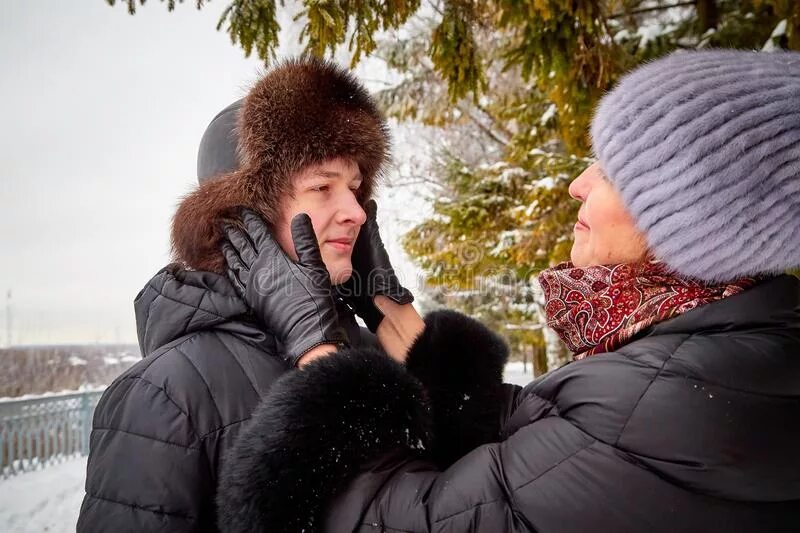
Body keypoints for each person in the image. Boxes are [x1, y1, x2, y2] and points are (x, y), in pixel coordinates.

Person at [215, 50, 800, 532]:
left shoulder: (669, 403)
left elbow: (406, 518)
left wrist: (318, 352)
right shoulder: (729, 358)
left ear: (689, 219)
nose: (577, 184)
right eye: (322, 186)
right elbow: (520, 446)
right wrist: (390, 309)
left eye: (611, 171)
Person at [77, 56, 410, 531]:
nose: (357, 212)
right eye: (322, 187)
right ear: (243, 215)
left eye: (356, 189)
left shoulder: (369, 350)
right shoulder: (165, 394)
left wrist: (388, 312)